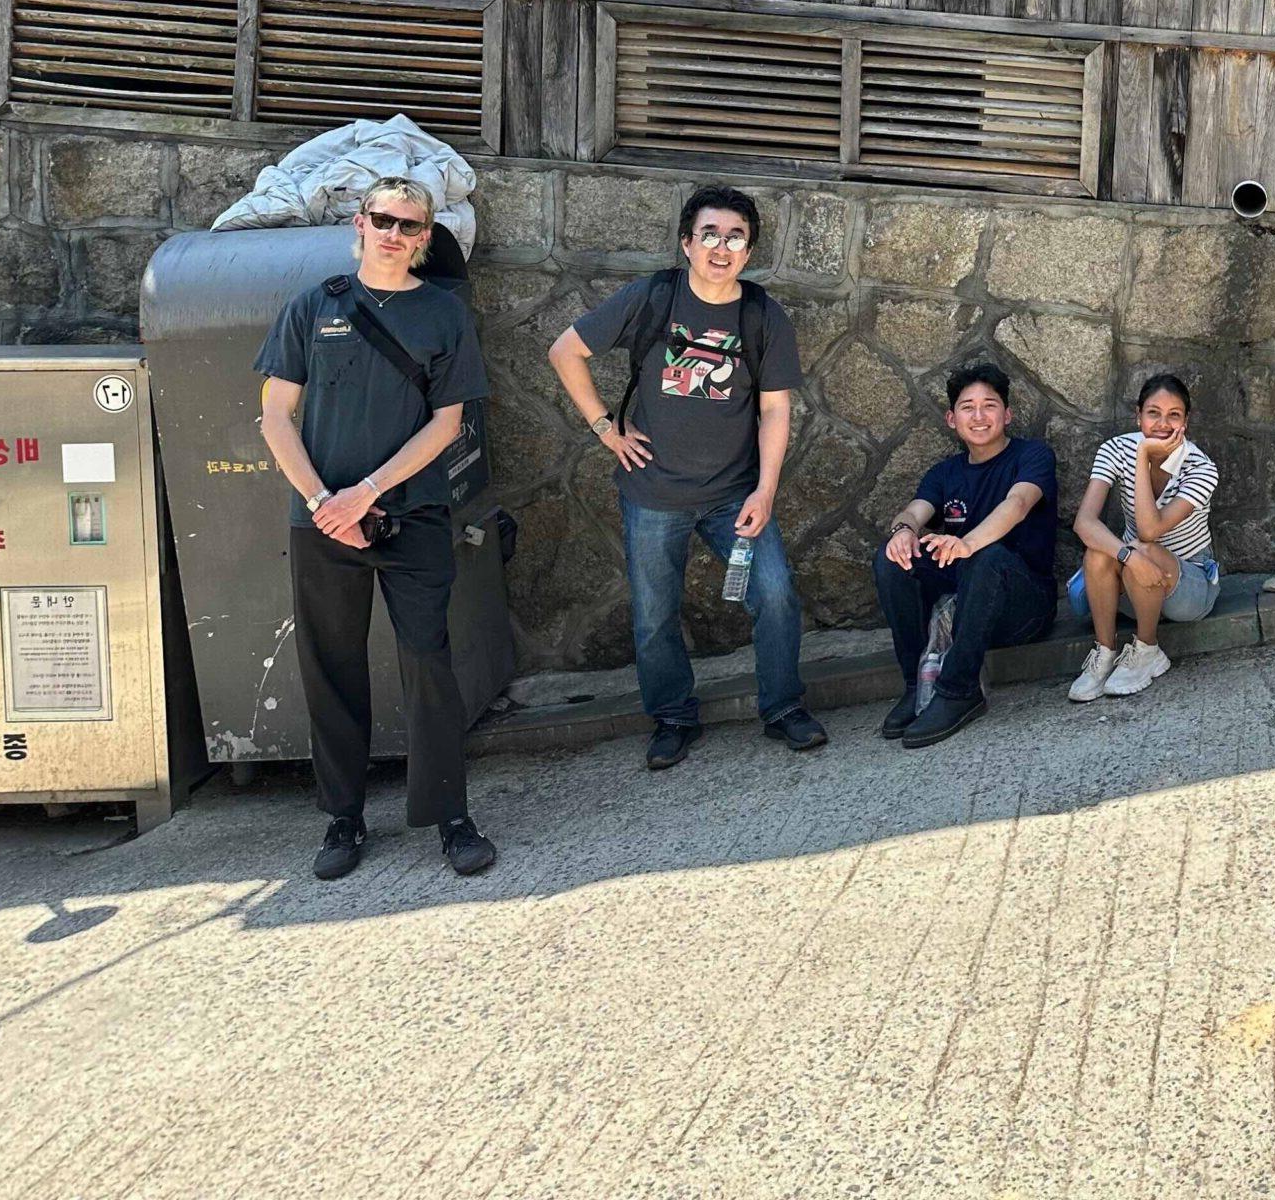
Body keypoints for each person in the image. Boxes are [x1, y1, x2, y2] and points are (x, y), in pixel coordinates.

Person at [254, 176, 497, 880]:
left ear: (424, 239)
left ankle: (451, 815)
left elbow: (448, 424)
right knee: (330, 669)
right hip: (322, 522)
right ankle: (342, 818)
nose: (394, 233)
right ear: (360, 224)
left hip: (410, 516)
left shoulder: (443, 316)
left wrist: (365, 492)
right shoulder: (314, 308)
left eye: (409, 225)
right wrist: (325, 500)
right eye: (383, 219)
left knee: (428, 663)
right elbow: (275, 416)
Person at [549, 184, 825, 771]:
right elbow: (565, 351)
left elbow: (776, 409)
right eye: (710, 234)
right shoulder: (651, 297)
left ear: (748, 251)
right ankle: (673, 718)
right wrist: (605, 429)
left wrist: (766, 490)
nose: (721, 247)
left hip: (734, 495)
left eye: (736, 237)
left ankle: (782, 709)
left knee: (775, 595)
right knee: (654, 616)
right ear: (687, 242)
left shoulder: (761, 315)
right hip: (653, 494)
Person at [872, 363, 1059, 747]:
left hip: (1024, 608)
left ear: (1006, 415)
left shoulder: (1033, 455)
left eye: (989, 406)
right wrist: (903, 532)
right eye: (967, 407)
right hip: (968, 604)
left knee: (987, 556)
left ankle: (959, 691)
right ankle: (916, 685)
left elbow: (1019, 503)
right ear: (951, 417)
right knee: (892, 559)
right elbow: (913, 511)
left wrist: (968, 542)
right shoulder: (944, 474)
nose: (978, 416)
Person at [1065, 373, 1222, 702]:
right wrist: (1129, 557)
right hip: (1135, 577)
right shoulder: (1113, 449)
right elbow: (1084, 522)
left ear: (1186, 421)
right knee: (1099, 553)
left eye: (1173, 415)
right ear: (1138, 415)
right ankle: (1104, 654)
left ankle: (1147, 650)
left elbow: (1150, 530)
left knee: (1145, 545)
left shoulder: (1201, 467)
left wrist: (1141, 457)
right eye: (1153, 413)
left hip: (1188, 587)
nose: (1162, 424)